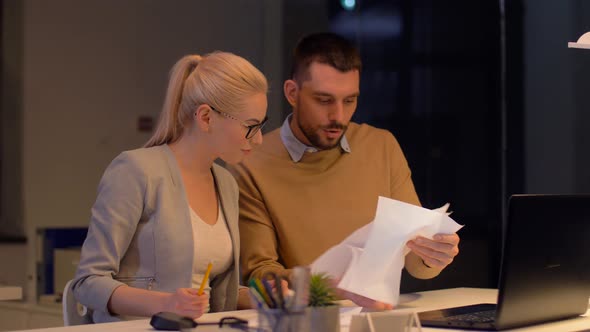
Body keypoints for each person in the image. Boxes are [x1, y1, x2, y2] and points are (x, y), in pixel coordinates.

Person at [227, 33, 460, 309]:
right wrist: (331, 284)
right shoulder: (250, 162)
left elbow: (415, 258)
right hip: (305, 320)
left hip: (376, 317)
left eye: (349, 100)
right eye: (324, 100)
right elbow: (260, 277)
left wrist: (434, 254)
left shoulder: (381, 146)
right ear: (292, 93)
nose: (338, 116)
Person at [72, 52, 268, 323]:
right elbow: (87, 282)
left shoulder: (226, 183)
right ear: (206, 117)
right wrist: (166, 303)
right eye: (251, 126)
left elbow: (216, 293)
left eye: (261, 126)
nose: (258, 139)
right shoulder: (135, 171)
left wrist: (262, 298)